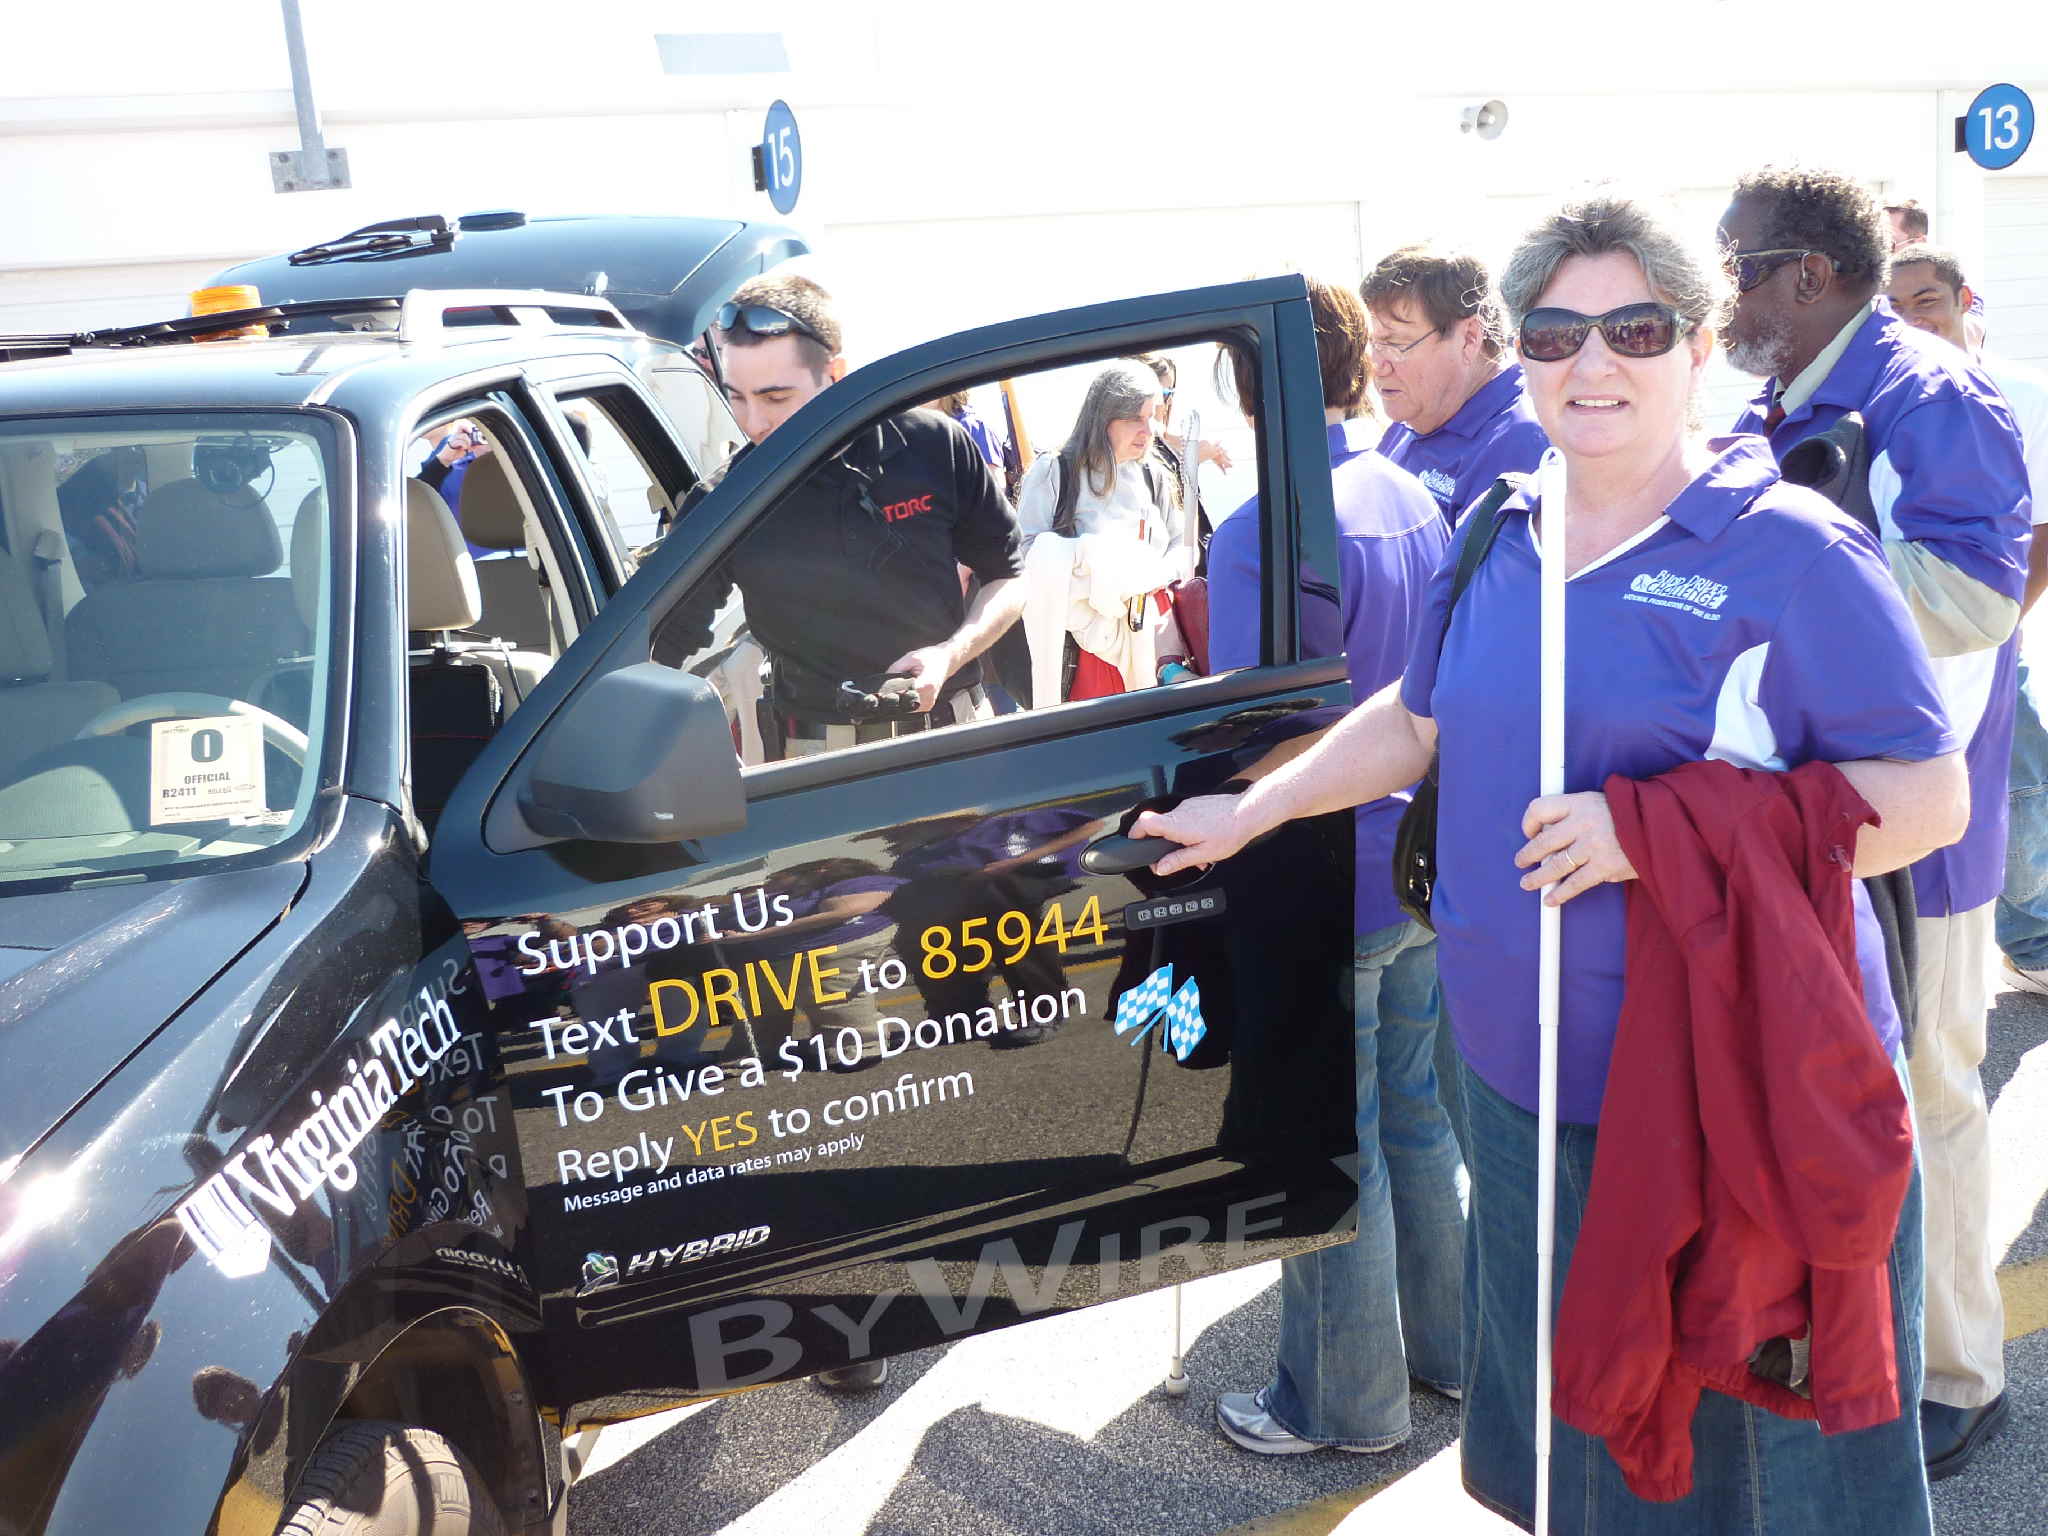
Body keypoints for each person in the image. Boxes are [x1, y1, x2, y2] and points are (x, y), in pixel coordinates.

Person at [1138, 190, 1965, 1532]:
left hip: (1721, 1107)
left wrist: (1654, 832)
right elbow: (1414, 721)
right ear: (1517, 354)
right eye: (1557, 332)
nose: (1592, 365)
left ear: (1699, 348)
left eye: (1635, 329)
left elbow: (1925, 799)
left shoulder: (1790, 553)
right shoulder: (1498, 531)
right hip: (1517, 1093)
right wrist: (1258, 808)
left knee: (1734, 1469)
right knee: (1582, 1453)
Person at [1722, 167, 2033, 1479]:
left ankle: (1958, 1371)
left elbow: (1973, 595)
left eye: (1737, 268)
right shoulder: (1787, 401)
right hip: (1811, 829)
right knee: (1833, 1107)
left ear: (1804, 273)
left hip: (1921, 842)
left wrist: (1795, 579)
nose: (1722, 295)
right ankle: (1857, 1346)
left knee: (1928, 1099)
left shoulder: (1930, 394)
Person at [1202, 277, 1461, 1455]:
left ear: (1244, 381)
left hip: (1324, 876)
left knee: (1329, 1148)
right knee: (1415, 1122)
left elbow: (1275, 730)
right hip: (1418, 863)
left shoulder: (1266, 525)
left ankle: (1342, 1404)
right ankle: (1454, 1359)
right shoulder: (1409, 487)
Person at [655, 274, 1027, 759]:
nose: (753, 422)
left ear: (836, 373)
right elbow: (658, 641)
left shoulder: (933, 445)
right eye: (737, 396)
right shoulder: (728, 499)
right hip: (816, 765)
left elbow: (1010, 576)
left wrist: (948, 655)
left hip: (956, 740)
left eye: (775, 397)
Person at [1885, 244, 2048, 991]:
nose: (1914, 320)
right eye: (1895, 307)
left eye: (1928, 302)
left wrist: (1996, 633)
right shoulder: (1889, 395)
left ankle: (2034, 938)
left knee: (2015, 783)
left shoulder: (2013, 394)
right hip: (1915, 648)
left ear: (1964, 301)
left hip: (1987, 635)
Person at [1013, 361, 1196, 701]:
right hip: (1081, 653)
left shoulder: (1153, 475)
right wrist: (1089, 562)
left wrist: (1146, 574)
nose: (1149, 429)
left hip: (1150, 643)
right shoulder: (1055, 471)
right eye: (1135, 419)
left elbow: (1184, 547)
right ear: (1103, 418)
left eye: (1153, 416)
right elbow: (1025, 556)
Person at [1363, 244, 1550, 523]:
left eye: (1396, 344)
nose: (1377, 365)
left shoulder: (1518, 441)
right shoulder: (1415, 417)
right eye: (1373, 343)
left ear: (1470, 338)